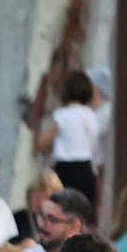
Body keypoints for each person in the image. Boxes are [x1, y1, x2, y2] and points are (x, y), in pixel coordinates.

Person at [38, 70, 100, 207]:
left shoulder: (62, 115)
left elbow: (43, 144)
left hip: (65, 169)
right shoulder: (91, 115)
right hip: (86, 168)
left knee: (62, 209)